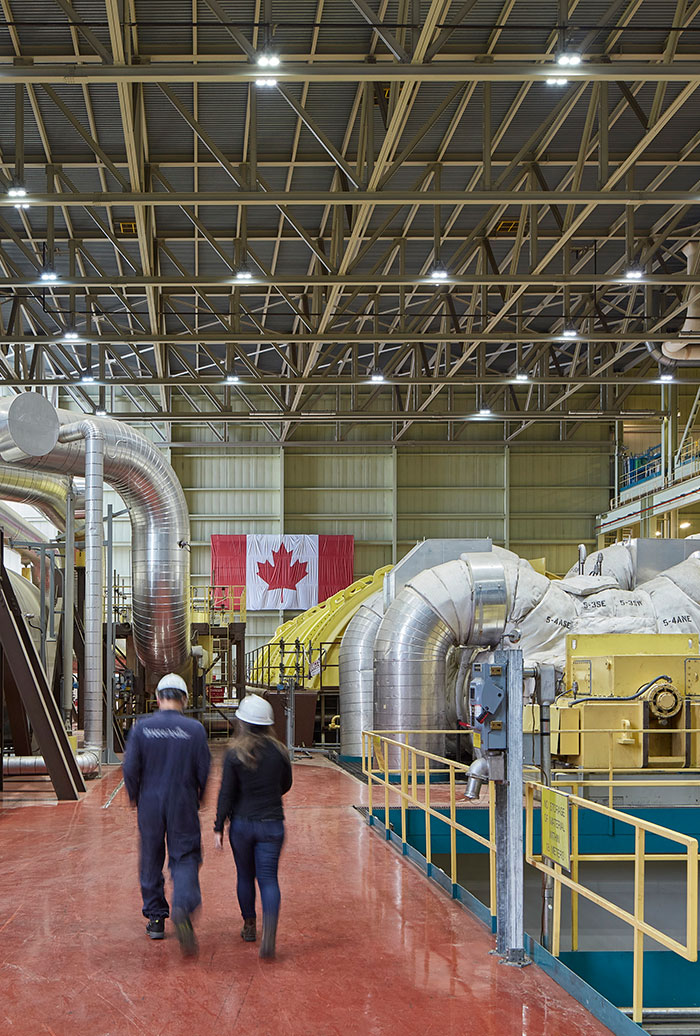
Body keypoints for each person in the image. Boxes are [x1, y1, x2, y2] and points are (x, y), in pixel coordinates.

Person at [122, 673, 211, 957]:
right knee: (184, 855)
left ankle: (157, 919)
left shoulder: (142, 728)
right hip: (182, 800)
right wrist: (199, 796)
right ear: (184, 699)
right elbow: (204, 769)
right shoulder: (195, 729)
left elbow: (130, 767)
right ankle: (183, 905)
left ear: (158, 698)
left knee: (150, 856)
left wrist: (134, 795)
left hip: (150, 800)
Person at [214, 694, 293, 960]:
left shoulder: (234, 753)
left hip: (242, 826)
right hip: (272, 824)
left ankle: (249, 925)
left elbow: (226, 793)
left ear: (243, 723)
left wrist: (218, 826)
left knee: (245, 876)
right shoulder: (280, 752)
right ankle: (270, 930)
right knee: (268, 879)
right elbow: (286, 784)